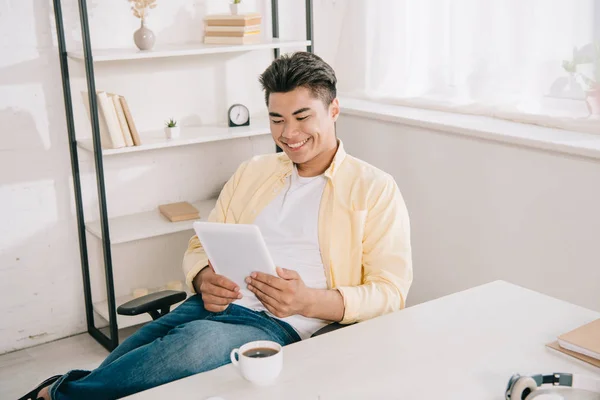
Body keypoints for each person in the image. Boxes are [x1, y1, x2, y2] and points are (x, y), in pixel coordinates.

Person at [21, 51, 413, 400]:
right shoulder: (253, 172)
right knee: (134, 353)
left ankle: (55, 394)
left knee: (190, 346)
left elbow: (390, 291)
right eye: (276, 119)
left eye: (301, 116)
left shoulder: (373, 188)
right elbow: (201, 244)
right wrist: (203, 278)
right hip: (212, 304)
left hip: (278, 325)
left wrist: (308, 300)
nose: (288, 134)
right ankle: (59, 392)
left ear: (334, 110)